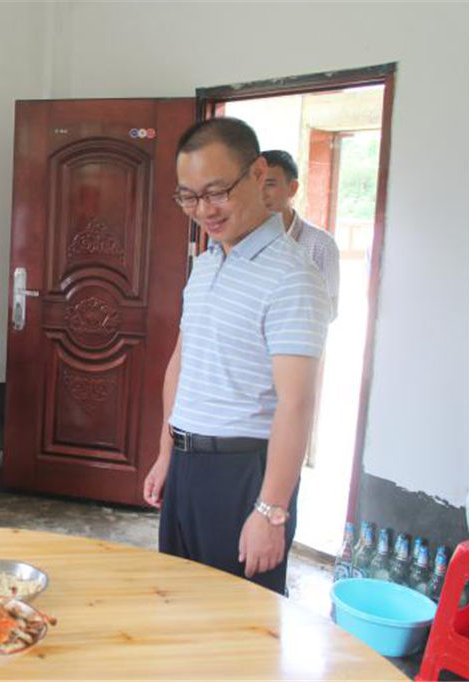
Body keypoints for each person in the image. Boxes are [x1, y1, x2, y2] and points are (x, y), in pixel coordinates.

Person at [142, 118, 331, 594]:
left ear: (258, 173)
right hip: (188, 466)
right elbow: (182, 364)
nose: (204, 210)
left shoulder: (293, 277)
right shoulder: (206, 265)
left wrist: (271, 510)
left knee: (238, 621)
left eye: (217, 192)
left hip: (243, 474)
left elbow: (296, 403)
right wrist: (167, 454)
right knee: (177, 607)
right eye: (189, 197)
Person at [260, 150, 340, 320]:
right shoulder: (242, 240)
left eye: (270, 184)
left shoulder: (320, 244)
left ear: (292, 188)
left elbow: (329, 310)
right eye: (255, 184)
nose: (261, 193)